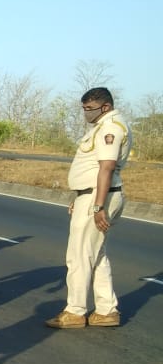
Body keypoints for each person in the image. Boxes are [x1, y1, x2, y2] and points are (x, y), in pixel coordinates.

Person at [45, 87, 132, 329]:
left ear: (105, 107)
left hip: (99, 196)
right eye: (83, 108)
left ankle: (75, 310)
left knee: (80, 255)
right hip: (93, 194)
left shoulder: (110, 128)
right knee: (96, 254)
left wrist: (97, 206)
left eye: (90, 108)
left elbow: (106, 167)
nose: (85, 113)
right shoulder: (104, 126)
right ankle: (106, 310)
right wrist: (81, 196)